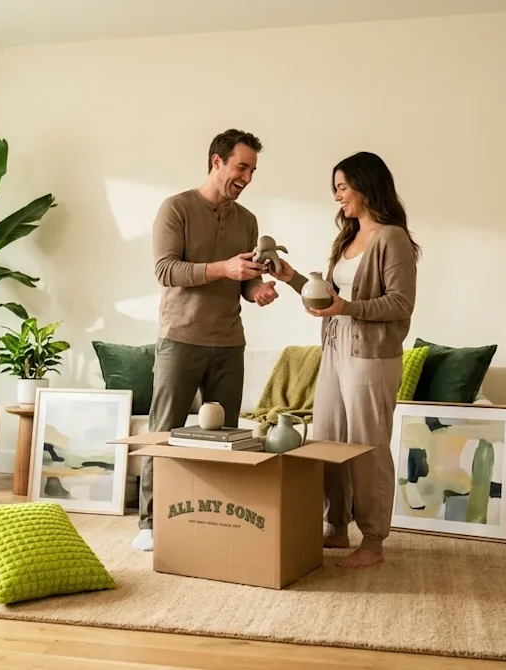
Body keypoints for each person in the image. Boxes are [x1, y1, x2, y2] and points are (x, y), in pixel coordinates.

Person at [133, 129, 288, 551]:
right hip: (180, 339)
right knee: (163, 432)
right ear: (216, 161)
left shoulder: (248, 221)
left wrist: (258, 291)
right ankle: (149, 523)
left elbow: (244, 282)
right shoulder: (176, 208)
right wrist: (223, 269)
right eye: (241, 167)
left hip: (229, 342)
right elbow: (166, 270)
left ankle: (218, 520)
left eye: (253, 170)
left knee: (227, 436)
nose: (247, 178)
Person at [281, 151, 420, 568]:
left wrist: (347, 309)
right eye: (336, 189)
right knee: (326, 437)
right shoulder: (348, 238)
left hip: (371, 354)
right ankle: (335, 525)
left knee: (367, 446)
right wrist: (291, 278)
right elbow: (331, 297)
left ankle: (373, 541)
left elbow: (400, 302)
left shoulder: (391, 238)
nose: (338, 197)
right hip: (337, 347)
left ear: (366, 185)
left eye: (343, 188)